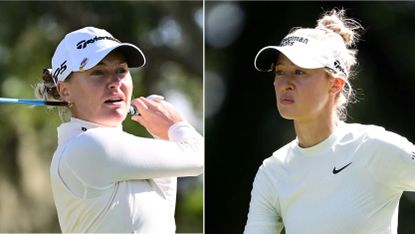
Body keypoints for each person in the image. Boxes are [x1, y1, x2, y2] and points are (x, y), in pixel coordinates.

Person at [244, 9, 415, 234]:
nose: (285, 83)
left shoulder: (374, 147)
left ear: (335, 84)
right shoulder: (273, 172)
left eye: (300, 72)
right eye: (280, 71)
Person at [35, 26, 203, 233]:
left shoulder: (117, 151)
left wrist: (164, 134)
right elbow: (199, 158)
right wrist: (175, 125)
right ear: (64, 91)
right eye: (98, 72)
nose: (115, 83)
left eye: (121, 71)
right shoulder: (88, 146)